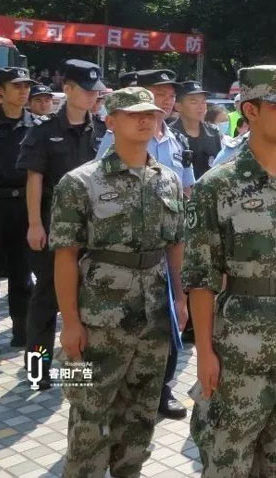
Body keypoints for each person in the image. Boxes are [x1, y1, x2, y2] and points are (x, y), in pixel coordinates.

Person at [183, 65, 276, 478]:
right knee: (227, 460)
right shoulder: (218, 185)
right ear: (250, 110)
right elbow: (201, 277)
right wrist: (205, 354)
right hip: (239, 351)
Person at [49, 87, 185, 477]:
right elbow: (65, 255)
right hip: (98, 321)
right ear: (110, 121)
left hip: (154, 318)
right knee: (88, 418)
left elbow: (175, 244)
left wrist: (180, 299)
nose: (145, 120)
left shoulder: (168, 180)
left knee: (141, 415)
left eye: (151, 114)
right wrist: (70, 323)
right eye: (132, 114)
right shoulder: (79, 182)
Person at [96, 68, 194, 418]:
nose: (166, 101)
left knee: (166, 322)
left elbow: (185, 188)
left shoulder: (174, 140)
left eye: (170, 96)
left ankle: (161, 389)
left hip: (168, 245)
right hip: (123, 254)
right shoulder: (118, 138)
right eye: (159, 94)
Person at [17, 60, 107, 390]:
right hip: (54, 229)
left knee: (88, 299)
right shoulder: (43, 131)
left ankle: (79, 367)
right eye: (86, 90)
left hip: (94, 230)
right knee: (45, 299)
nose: (93, 96)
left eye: (96, 91)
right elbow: (34, 179)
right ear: (67, 90)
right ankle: (38, 369)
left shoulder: (101, 130)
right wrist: (34, 224)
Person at [0, 67, 40, 353]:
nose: (24, 91)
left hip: (25, 205)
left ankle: (21, 331)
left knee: (22, 273)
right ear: (0, 91)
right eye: (17, 86)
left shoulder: (36, 125)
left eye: (26, 86)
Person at [172, 80, 223, 180]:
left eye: (203, 102)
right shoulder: (170, 135)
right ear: (178, 106)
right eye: (194, 102)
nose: (201, 107)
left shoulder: (213, 133)